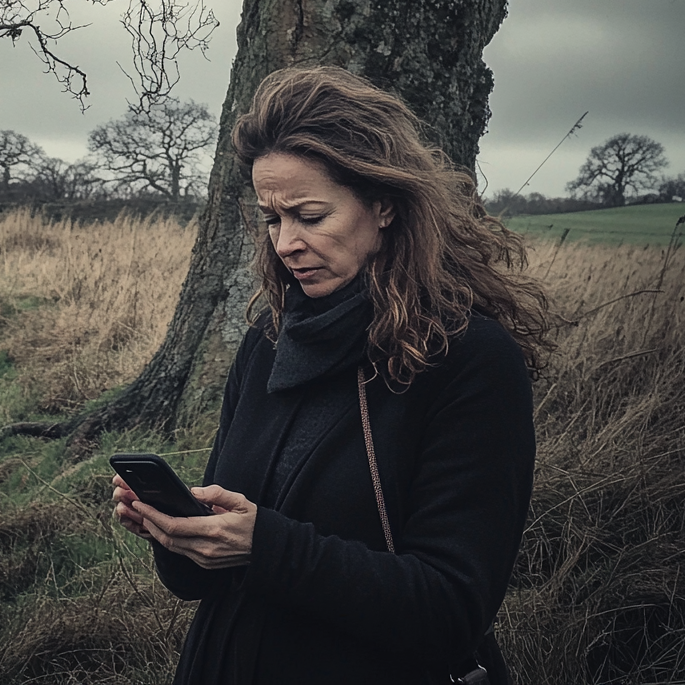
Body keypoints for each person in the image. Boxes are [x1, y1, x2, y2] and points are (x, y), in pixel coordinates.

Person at [112, 66, 553, 685]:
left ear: (383, 207)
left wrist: (265, 547)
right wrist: (176, 533)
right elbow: (198, 583)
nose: (285, 243)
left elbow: (452, 608)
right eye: (272, 219)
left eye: (310, 216)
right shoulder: (267, 343)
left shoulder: (468, 360)